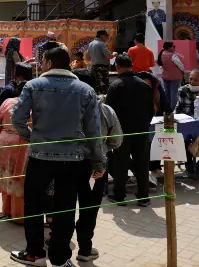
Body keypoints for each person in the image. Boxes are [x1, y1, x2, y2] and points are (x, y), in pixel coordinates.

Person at [10, 47, 104, 267]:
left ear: (49, 63)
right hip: (74, 159)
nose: (41, 65)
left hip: (40, 156)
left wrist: (31, 137)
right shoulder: (86, 90)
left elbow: (17, 119)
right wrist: (98, 161)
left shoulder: (33, 86)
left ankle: (35, 253)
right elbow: (94, 131)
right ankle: (60, 259)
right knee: (66, 209)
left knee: (33, 206)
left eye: (42, 61)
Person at [73, 69, 123, 262]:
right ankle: (85, 248)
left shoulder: (63, 109)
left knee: (65, 205)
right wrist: (103, 148)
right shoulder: (105, 110)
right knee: (89, 207)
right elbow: (117, 139)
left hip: (66, 163)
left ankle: (58, 245)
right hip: (96, 165)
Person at [105, 55, 154, 206]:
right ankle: (143, 196)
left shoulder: (116, 85)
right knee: (142, 162)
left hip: (122, 130)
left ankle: (119, 196)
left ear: (117, 67)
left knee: (121, 162)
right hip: (141, 130)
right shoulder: (144, 84)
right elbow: (151, 109)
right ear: (131, 66)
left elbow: (108, 110)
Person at [0, 64, 33, 225]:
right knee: (18, 179)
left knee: (5, 175)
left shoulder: (7, 102)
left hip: (3, 141)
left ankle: (6, 209)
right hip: (21, 143)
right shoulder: (32, 106)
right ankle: (19, 214)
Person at [86, 30, 117, 94]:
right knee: (104, 88)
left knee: (96, 87)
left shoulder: (91, 44)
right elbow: (109, 56)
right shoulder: (101, 44)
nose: (107, 38)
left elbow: (87, 57)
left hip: (94, 68)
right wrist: (114, 54)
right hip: (102, 68)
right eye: (106, 36)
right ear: (102, 36)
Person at [159, 41, 186, 110]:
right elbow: (180, 65)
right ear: (169, 47)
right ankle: (173, 109)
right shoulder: (173, 55)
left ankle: (167, 108)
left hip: (165, 76)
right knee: (174, 92)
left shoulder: (162, 54)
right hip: (175, 76)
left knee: (167, 92)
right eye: (173, 46)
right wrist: (184, 71)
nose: (174, 48)